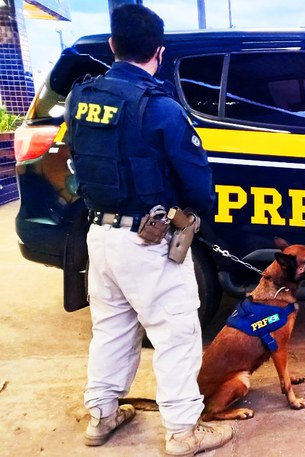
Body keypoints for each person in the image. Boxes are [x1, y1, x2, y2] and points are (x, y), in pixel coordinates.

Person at [64, 4, 233, 455]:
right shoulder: (159, 108)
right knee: (176, 333)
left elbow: (77, 162)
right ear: (159, 51)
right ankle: (182, 432)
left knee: (112, 328)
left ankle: (101, 416)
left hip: (99, 235)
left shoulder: (81, 97)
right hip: (147, 241)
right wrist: (197, 213)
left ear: (114, 45)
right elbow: (197, 181)